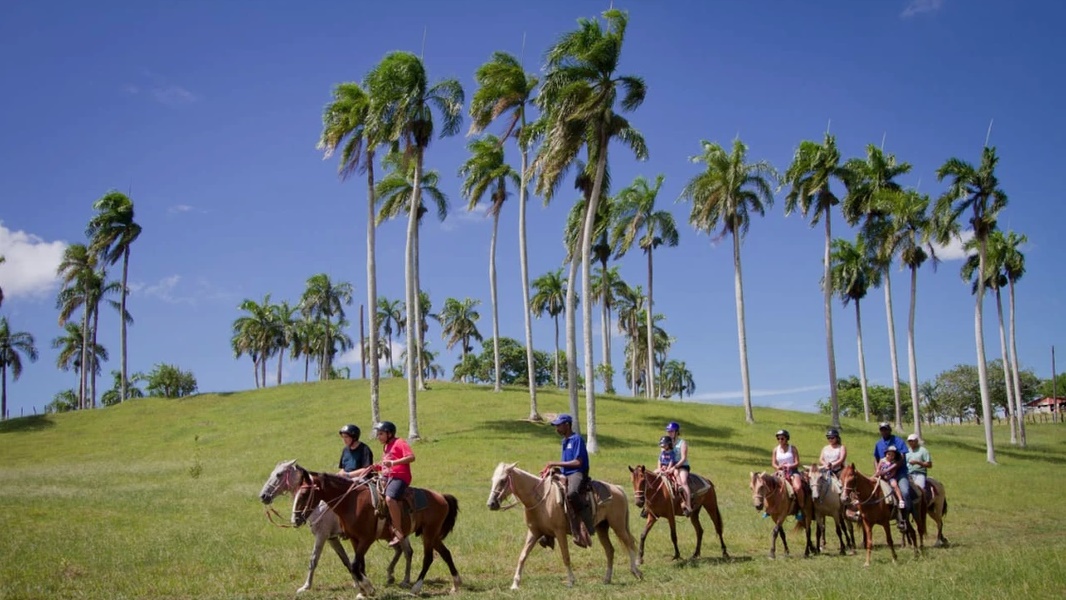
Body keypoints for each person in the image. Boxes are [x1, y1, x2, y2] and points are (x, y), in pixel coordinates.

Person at [544, 414, 592, 548]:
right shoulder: (564, 442)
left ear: (567, 425)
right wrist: (555, 469)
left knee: (572, 493)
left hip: (577, 473)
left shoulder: (577, 440)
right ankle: (547, 533)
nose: (557, 429)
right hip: (566, 473)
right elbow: (566, 463)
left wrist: (556, 463)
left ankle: (584, 522)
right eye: (556, 426)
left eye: (559, 426)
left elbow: (578, 462)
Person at [372, 420, 415, 547]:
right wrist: (377, 467)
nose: (378, 437)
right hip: (386, 477)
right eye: (378, 434)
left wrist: (393, 463)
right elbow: (386, 465)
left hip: (400, 477)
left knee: (390, 499)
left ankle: (398, 532)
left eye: (381, 434)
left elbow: (411, 457)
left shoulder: (400, 442)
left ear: (389, 434)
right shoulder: (385, 446)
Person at [873, 421, 910, 531]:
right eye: (882, 429)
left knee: (905, 491)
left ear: (890, 430)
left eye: (886, 429)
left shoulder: (898, 441)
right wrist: (878, 471)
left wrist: (888, 470)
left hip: (899, 473)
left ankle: (904, 517)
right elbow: (876, 459)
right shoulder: (878, 444)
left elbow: (902, 459)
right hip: (883, 474)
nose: (884, 431)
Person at [771, 429, 806, 517]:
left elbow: (797, 462)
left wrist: (790, 465)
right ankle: (769, 507)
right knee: (768, 485)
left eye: (782, 438)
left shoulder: (793, 448)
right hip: (780, 472)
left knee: (798, 488)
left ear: (786, 439)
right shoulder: (776, 449)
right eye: (778, 438)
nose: (780, 440)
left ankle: (801, 508)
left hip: (792, 471)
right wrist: (778, 467)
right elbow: (773, 463)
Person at [664, 421, 693, 516]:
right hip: (669, 465)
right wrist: (663, 466)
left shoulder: (682, 443)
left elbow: (683, 458)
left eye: (672, 431)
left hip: (682, 466)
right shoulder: (666, 441)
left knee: (683, 481)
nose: (670, 433)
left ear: (677, 432)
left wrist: (675, 467)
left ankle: (688, 505)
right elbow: (663, 455)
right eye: (669, 431)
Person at [876, 446, 907, 511]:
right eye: (888, 454)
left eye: (892, 455)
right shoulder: (882, 460)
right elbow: (878, 468)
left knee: (894, 485)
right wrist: (878, 473)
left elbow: (893, 472)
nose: (890, 456)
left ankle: (900, 499)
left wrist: (888, 477)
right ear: (886, 454)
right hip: (880, 477)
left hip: (890, 477)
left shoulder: (893, 463)